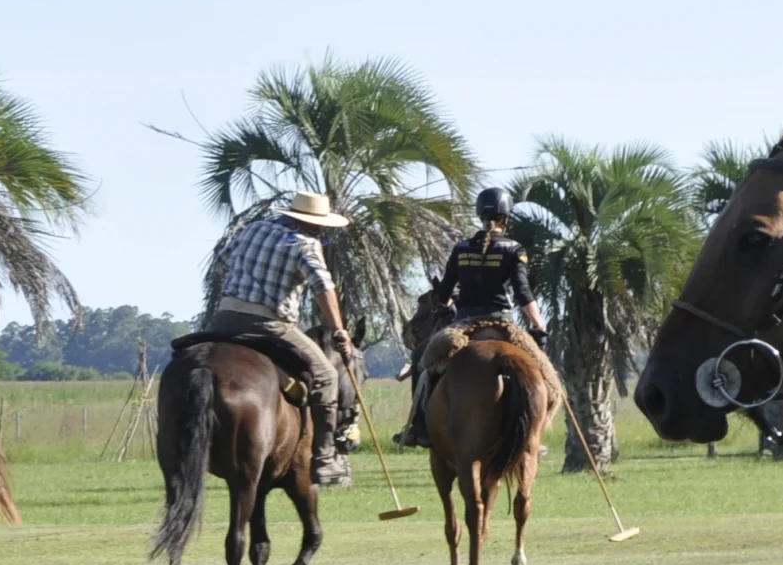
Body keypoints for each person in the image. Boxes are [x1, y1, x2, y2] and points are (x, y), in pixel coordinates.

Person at [207, 191, 361, 485]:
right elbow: (322, 288)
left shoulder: (253, 228)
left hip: (224, 318)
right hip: (269, 324)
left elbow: (222, 262)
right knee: (327, 376)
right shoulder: (306, 244)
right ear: (315, 224)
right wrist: (339, 330)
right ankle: (325, 458)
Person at [394, 187, 552, 449]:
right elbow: (523, 292)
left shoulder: (462, 248)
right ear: (507, 217)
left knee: (421, 358)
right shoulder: (514, 249)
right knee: (544, 371)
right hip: (503, 323)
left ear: (480, 215)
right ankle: (535, 433)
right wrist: (539, 324)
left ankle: (419, 429)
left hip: (464, 323)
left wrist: (445, 305)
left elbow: (444, 291)